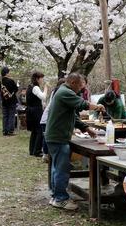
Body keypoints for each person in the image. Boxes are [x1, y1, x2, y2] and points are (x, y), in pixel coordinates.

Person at [45, 73, 105, 211]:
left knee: (57, 167)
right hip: (58, 137)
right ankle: (61, 199)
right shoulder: (65, 92)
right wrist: (97, 107)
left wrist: (86, 128)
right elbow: (82, 104)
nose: (80, 88)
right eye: (79, 85)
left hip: (56, 136)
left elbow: (73, 116)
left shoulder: (64, 92)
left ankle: (56, 196)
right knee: (62, 168)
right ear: (72, 82)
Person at [40, 79, 66, 163]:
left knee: (47, 137)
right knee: (46, 137)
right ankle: (45, 155)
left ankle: (47, 155)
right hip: (47, 119)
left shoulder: (56, 92)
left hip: (49, 119)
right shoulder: (57, 92)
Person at [26, 71, 48, 157]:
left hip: (31, 110)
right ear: (37, 79)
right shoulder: (35, 87)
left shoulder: (30, 87)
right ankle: (37, 151)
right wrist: (45, 89)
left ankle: (32, 150)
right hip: (35, 111)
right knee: (39, 130)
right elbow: (43, 97)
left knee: (34, 131)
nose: (42, 80)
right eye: (41, 78)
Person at [0, 67, 18, 136]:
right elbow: (16, 89)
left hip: (4, 101)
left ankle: (5, 131)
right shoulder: (11, 81)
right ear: (7, 73)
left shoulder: (1, 82)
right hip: (11, 101)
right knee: (11, 116)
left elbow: (1, 92)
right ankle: (10, 131)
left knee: (5, 116)